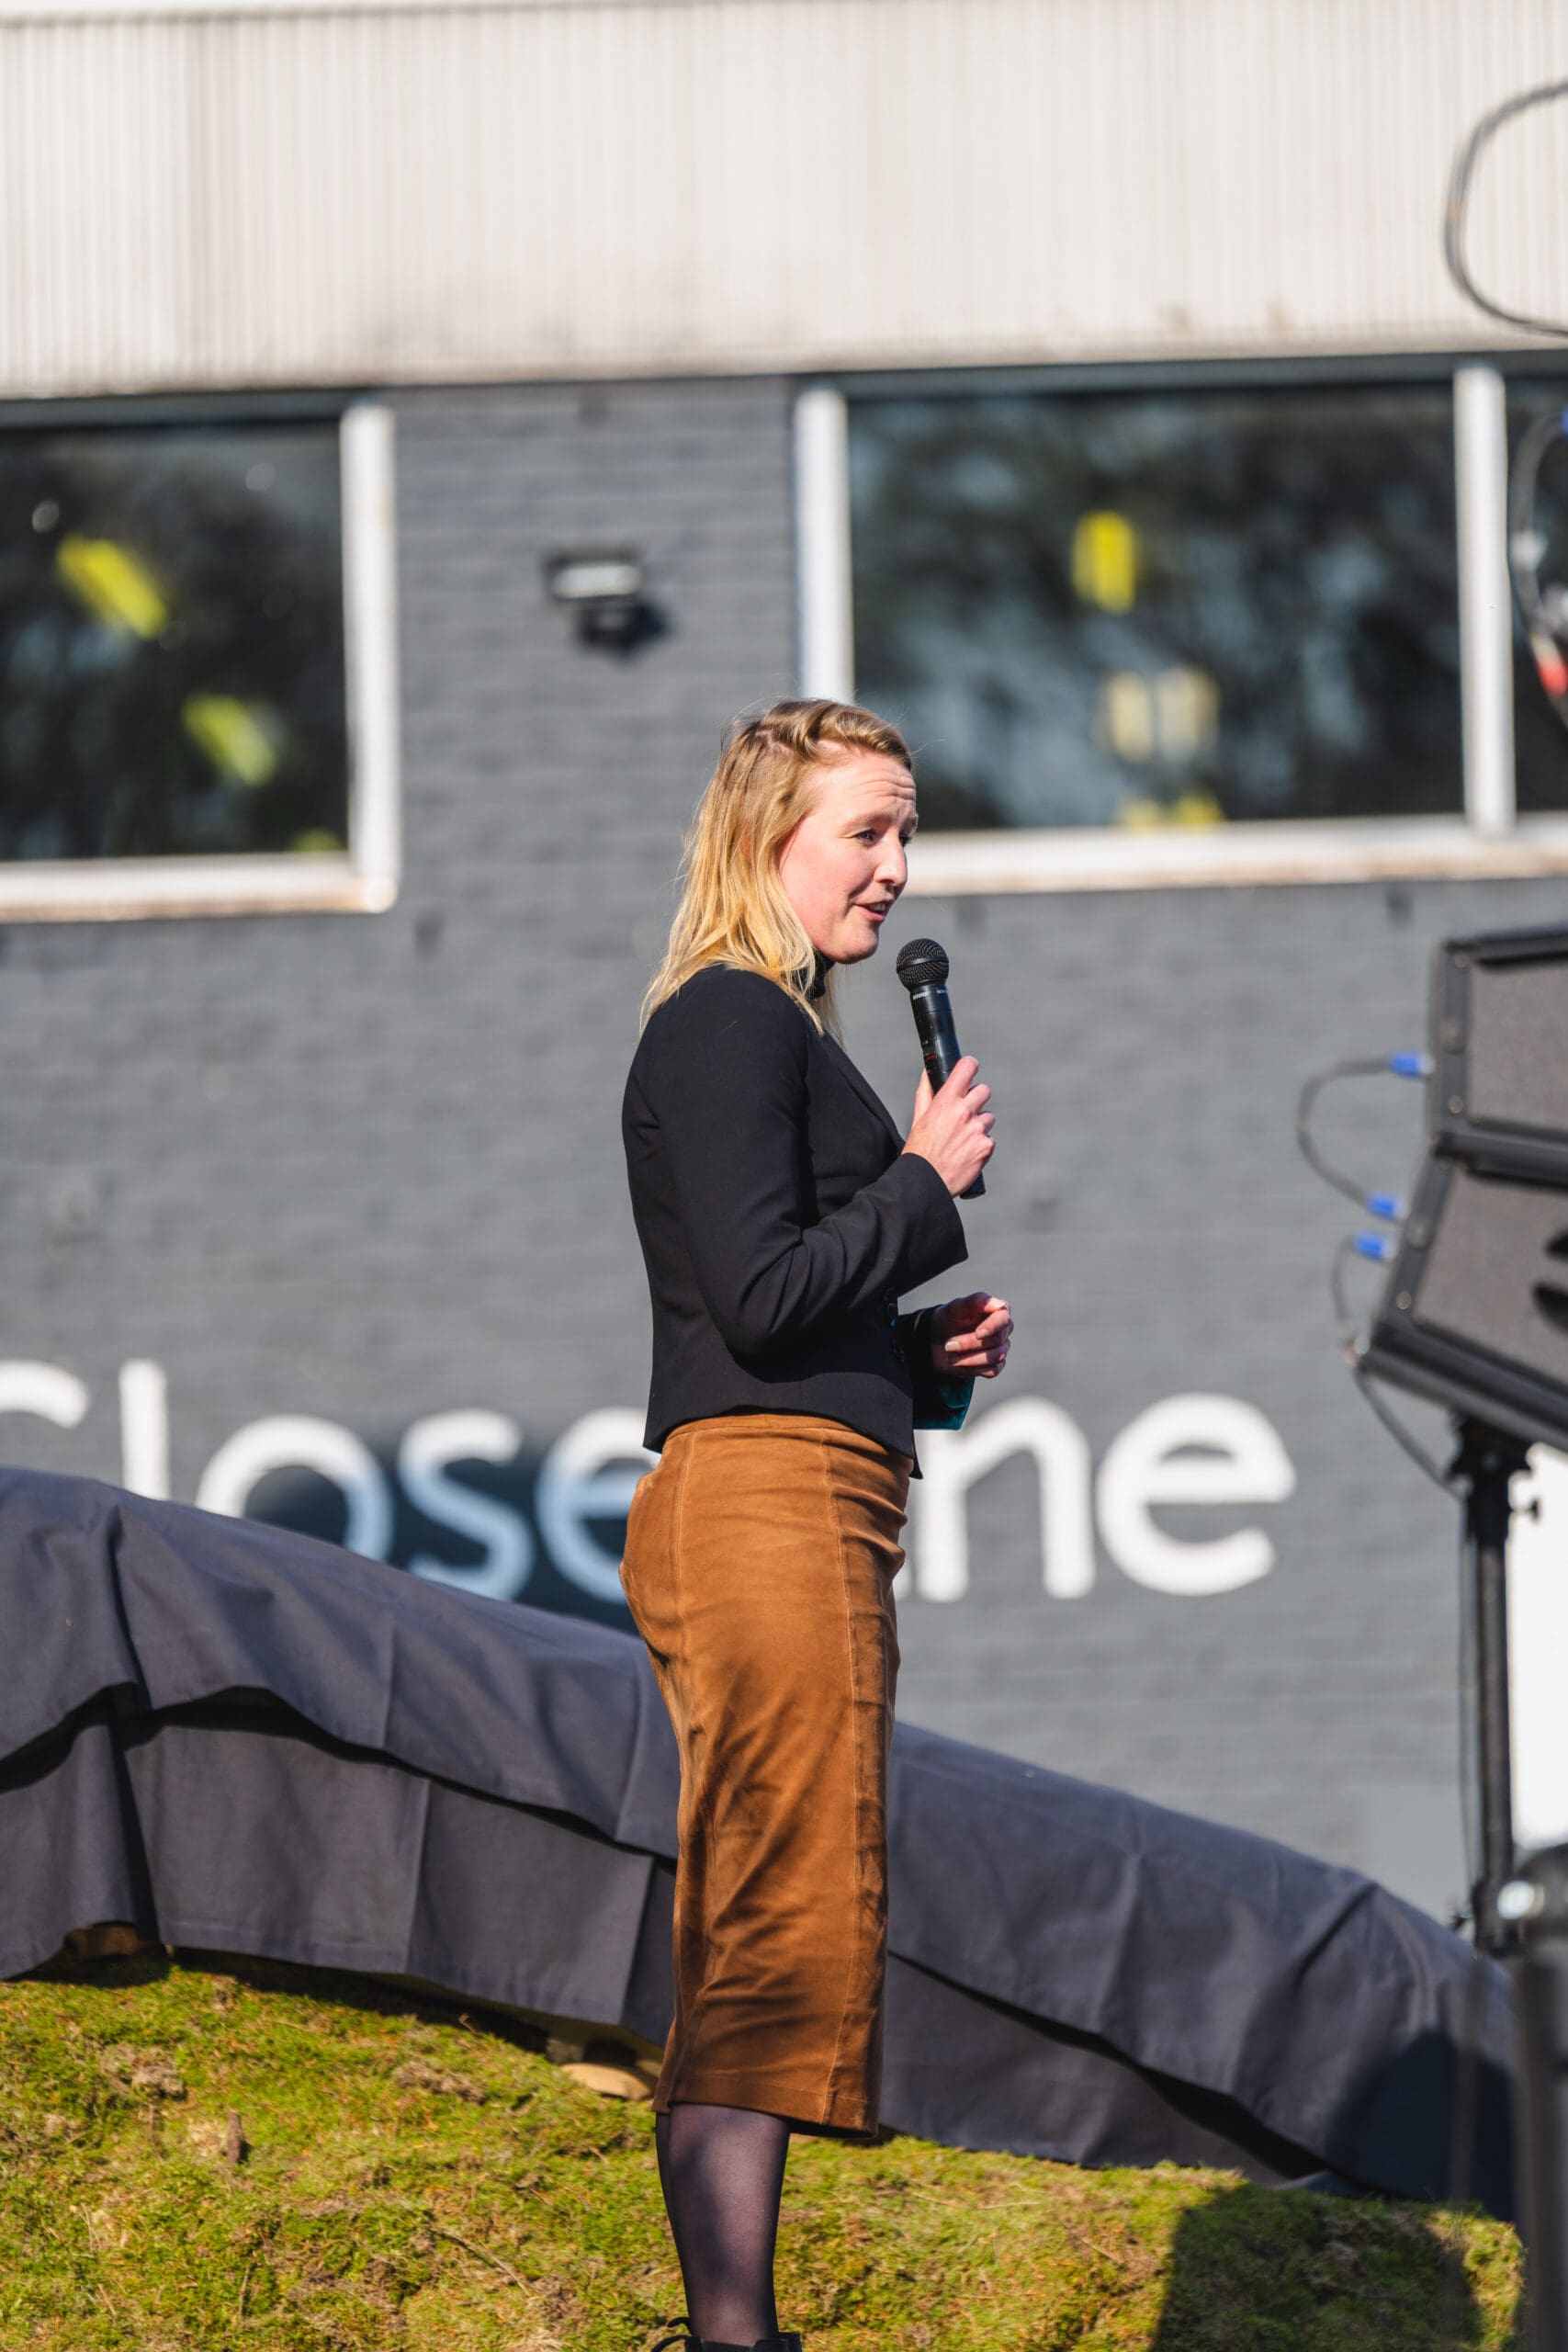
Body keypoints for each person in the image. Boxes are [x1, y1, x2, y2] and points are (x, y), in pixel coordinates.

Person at [621, 699, 1013, 2352]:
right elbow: (764, 1295)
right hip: (769, 1502)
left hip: (793, 1481)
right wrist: (919, 1184)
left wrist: (918, 1363)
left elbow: (772, 1312)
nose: (895, 867)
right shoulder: (730, 1019)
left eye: (906, 833)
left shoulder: (769, 1026)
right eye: (866, 830)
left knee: (758, 1918)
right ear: (763, 833)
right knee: (780, 1919)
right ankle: (737, 2335)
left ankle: (739, 2328)